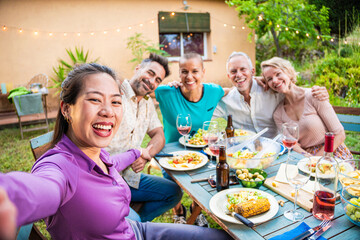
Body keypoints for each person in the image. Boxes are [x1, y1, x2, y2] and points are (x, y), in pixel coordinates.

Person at [0, 63, 232, 240]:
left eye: (115, 102)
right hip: (130, 229)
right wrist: (9, 197)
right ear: (67, 109)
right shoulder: (59, 167)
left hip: (135, 230)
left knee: (223, 236)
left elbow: (113, 159)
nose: (108, 112)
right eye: (94, 100)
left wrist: (137, 153)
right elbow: (38, 189)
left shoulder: (95, 153)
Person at [107, 53, 182, 222]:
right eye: (150, 73)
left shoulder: (147, 103)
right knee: (135, 221)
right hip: (106, 180)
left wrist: (146, 153)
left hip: (131, 177)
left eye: (157, 80)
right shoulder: (114, 95)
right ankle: (131, 226)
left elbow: (158, 135)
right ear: (138, 68)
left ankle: (131, 227)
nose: (152, 81)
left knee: (174, 193)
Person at [155, 53, 225, 225]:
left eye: (195, 71)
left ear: (203, 72)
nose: (189, 76)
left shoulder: (214, 91)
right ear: (179, 74)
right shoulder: (165, 92)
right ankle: (179, 211)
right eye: (184, 71)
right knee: (172, 189)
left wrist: (260, 81)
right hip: (170, 152)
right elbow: (141, 92)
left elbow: (235, 89)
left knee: (203, 180)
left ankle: (196, 211)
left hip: (200, 149)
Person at [212, 51, 329, 138]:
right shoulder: (225, 101)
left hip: (277, 151)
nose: (238, 75)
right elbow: (203, 110)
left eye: (243, 69)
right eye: (233, 71)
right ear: (228, 76)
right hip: (244, 155)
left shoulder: (272, 90)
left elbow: (294, 91)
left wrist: (314, 91)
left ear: (252, 71)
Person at [261, 57, 353, 159]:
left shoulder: (314, 95)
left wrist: (317, 160)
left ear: (288, 72)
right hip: (306, 157)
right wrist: (307, 158)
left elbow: (339, 134)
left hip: (332, 153)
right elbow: (292, 144)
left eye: (278, 74)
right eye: (269, 79)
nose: (274, 80)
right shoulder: (278, 114)